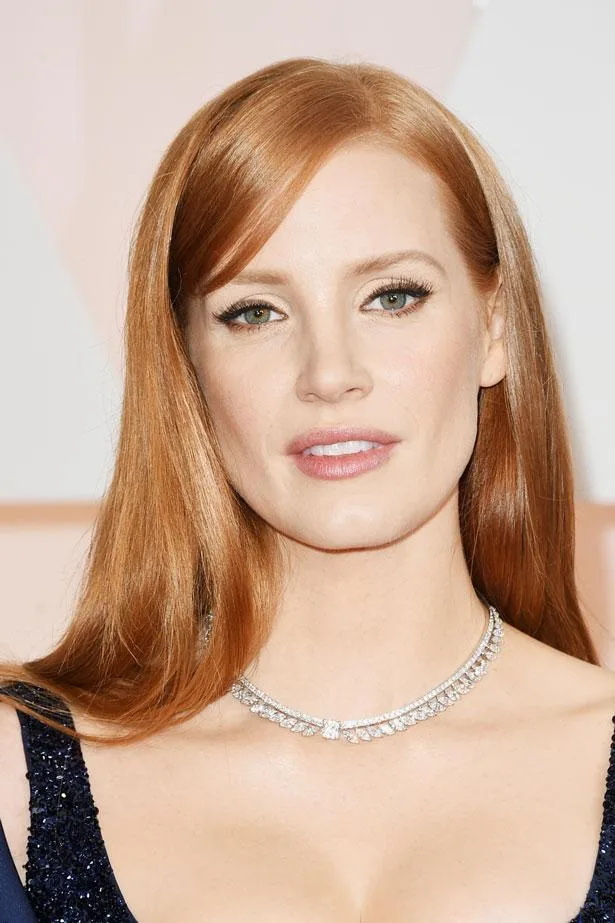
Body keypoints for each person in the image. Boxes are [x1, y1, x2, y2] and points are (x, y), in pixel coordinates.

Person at [0, 55, 614, 923]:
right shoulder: (15, 774)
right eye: (255, 311)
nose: (329, 374)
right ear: (186, 367)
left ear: (493, 329)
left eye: (391, 296)